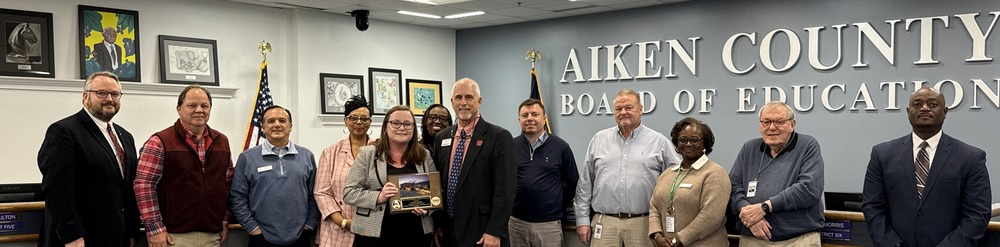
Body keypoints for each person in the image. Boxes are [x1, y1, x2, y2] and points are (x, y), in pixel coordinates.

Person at [862, 87, 991, 247]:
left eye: (932, 104)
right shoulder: (882, 154)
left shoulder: (971, 157)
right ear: (908, 112)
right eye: (917, 104)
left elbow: (977, 213)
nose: (924, 108)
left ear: (945, 112)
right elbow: (872, 206)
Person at [37, 71, 141, 247]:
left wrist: (131, 231)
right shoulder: (64, 132)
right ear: (85, 97)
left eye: (115, 94)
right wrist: (71, 236)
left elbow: (128, 189)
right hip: (81, 239)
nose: (109, 99)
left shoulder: (125, 136)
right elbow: (57, 190)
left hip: (118, 237)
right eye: (101, 93)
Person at [574, 89, 682, 247]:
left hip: (644, 222)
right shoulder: (599, 140)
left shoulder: (659, 142)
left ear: (640, 109)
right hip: (605, 222)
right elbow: (585, 183)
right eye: (618, 109)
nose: (623, 112)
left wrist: (666, 222)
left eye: (629, 107)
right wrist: (582, 220)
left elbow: (676, 182)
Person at [134, 85, 234, 247]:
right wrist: (155, 228)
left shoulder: (222, 141)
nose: (199, 110)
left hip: (212, 235)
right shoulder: (159, 142)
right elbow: (144, 185)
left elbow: (227, 184)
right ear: (179, 109)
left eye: (204, 105)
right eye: (192, 105)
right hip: (172, 236)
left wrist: (224, 219)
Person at [431, 78, 516, 247]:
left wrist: (495, 230)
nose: (463, 103)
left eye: (469, 97)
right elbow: (437, 184)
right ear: (452, 102)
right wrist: (438, 224)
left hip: (483, 232)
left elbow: (505, 189)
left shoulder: (499, 137)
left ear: (479, 101)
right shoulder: (441, 138)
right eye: (458, 97)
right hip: (448, 231)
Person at [728, 101, 824, 246]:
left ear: (792, 124)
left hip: (796, 240)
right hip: (752, 237)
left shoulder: (808, 145)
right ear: (760, 125)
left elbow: (808, 189)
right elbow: (733, 187)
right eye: (766, 122)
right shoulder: (749, 148)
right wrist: (749, 214)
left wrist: (764, 207)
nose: (772, 127)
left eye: (779, 122)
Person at [343, 105, 437, 246]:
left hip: (416, 232)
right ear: (386, 127)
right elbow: (349, 193)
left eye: (407, 124)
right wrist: (378, 197)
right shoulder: (367, 154)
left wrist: (427, 208)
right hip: (374, 234)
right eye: (396, 123)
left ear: (413, 128)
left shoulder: (424, 155)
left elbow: (436, 191)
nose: (402, 128)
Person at [230, 105, 320, 247]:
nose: (277, 125)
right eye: (271, 121)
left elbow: (314, 194)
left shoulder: (306, 156)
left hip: (300, 237)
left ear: (290, 126)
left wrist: (310, 224)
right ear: (263, 127)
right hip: (261, 238)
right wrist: (252, 228)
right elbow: (237, 197)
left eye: (282, 121)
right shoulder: (247, 158)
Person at [648, 117, 730, 247]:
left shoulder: (715, 173)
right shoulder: (667, 174)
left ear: (705, 143)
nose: (688, 144)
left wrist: (680, 239)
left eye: (694, 140)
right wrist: (657, 235)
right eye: (683, 140)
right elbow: (654, 206)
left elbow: (711, 216)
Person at [509, 98, 578, 247]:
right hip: (516, 223)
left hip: (549, 224)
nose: (530, 118)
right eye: (525, 115)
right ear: (519, 119)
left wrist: (554, 201)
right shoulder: (510, 146)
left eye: (535, 114)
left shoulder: (561, 147)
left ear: (544, 118)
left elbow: (572, 182)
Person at [315, 95, 372, 247]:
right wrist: (343, 222)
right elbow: (321, 192)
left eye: (364, 119)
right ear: (345, 121)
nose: (359, 122)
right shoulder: (330, 153)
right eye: (353, 118)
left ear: (370, 122)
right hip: (337, 229)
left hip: (372, 227)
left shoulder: (380, 150)